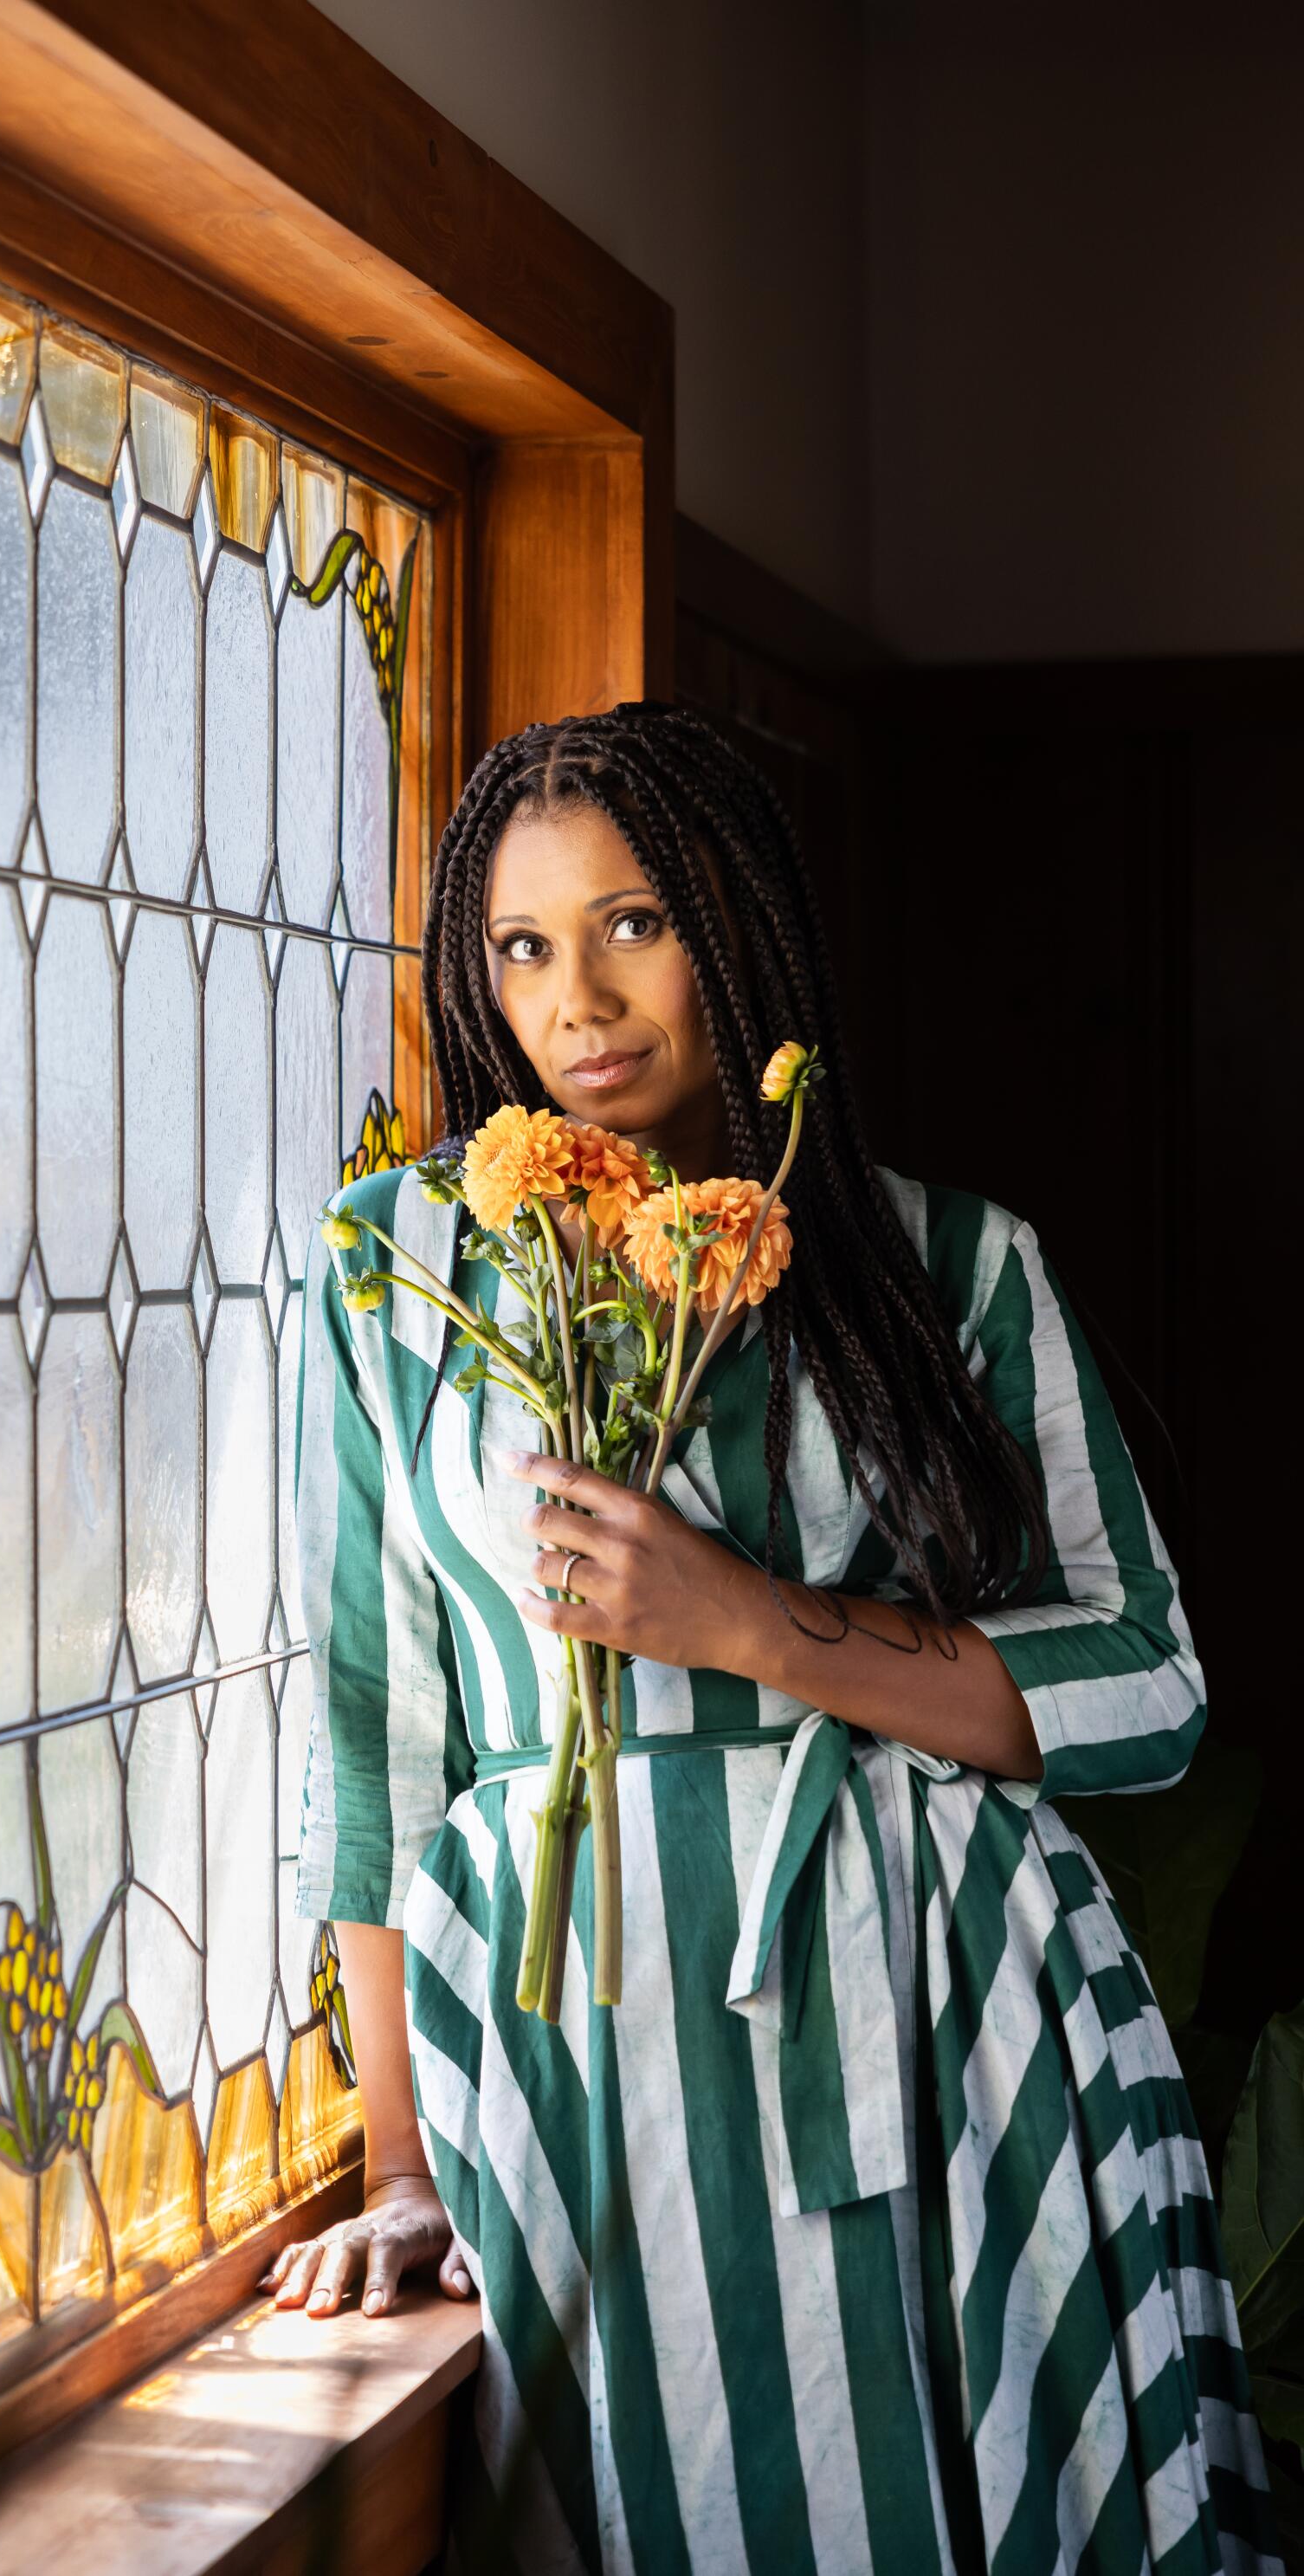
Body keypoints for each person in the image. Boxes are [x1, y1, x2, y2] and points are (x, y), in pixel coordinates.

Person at [266, 703, 1276, 2575]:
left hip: (944, 2001)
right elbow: (373, 1730)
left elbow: (1148, 1678)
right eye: (522, 944)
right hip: (569, 2040)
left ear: (745, 922)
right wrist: (398, 2159)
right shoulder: (400, 1270)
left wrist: (752, 1625)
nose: (578, 996)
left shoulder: (947, 1260)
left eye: (635, 921)